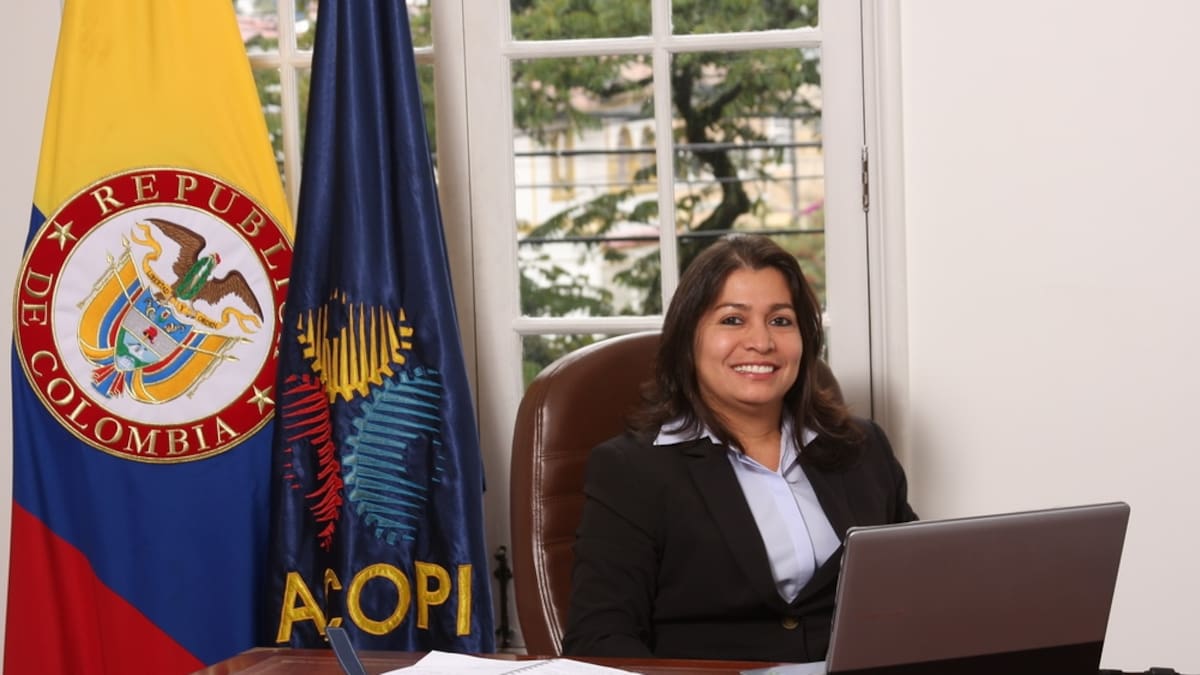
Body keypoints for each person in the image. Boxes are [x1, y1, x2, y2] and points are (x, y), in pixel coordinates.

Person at [561, 234, 917, 663]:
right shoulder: (630, 470)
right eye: (732, 320)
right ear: (688, 338)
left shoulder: (863, 447)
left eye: (780, 320)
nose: (761, 342)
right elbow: (599, 640)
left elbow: (919, 590)